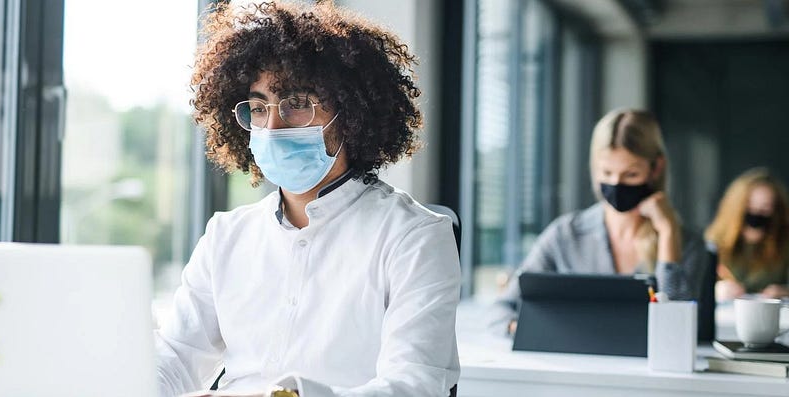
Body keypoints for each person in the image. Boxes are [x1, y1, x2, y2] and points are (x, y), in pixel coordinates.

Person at [155, 2, 460, 396]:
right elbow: (177, 356)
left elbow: (412, 385)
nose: (273, 126)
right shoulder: (225, 236)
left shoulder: (415, 236)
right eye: (259, 107)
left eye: (297, 103)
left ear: (351, 112)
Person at [490, 109, 709, 335]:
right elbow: (503, 309)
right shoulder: (565, 234)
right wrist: (526, 329)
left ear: (656, 168)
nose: (616, 183)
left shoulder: (687, 243)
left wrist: (667, 233)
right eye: (607, 172)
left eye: (631, 174)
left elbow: (677, 329)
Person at [705, 168, 789, 300]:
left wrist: (784, 292)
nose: (756, 214)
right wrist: (715, 290)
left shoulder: (784, 244)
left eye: (765, 208)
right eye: (749, 206)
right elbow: (694, 285)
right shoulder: (714, 242)